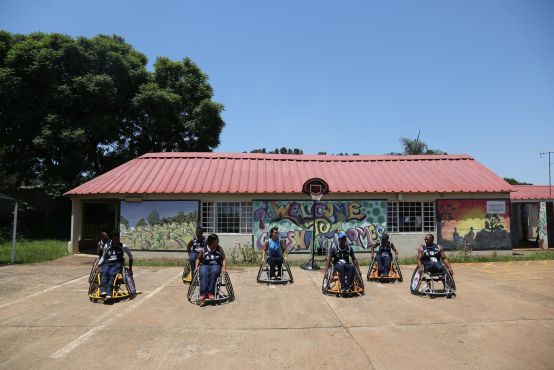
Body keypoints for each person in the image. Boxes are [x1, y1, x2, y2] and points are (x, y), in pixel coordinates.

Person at [98, 232, 133, 299]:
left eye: (118, 238)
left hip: (117, 264)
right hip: (108, 263)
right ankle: (103, 290)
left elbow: (130, 257)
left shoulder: (123, 246)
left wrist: (130, 268)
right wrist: (98, 264)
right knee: (104, 272)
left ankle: (109, 292)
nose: (116, 240)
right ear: (111, 239)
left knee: (112, 273)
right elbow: (103, 257)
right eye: (115, 239)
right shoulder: (107, 246)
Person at [195, 233, 227, 303]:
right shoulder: (204, 249)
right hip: (205, 265)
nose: (218, 241)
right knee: (203, 272)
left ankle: (210, 293)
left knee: (215, 271)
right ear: (212, 241)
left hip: (216, 265)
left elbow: (224, 258)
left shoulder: (219, 248)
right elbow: (198, 259)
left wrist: (224, 268)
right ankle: (203, 293)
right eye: (217, 240)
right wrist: (196, 267)